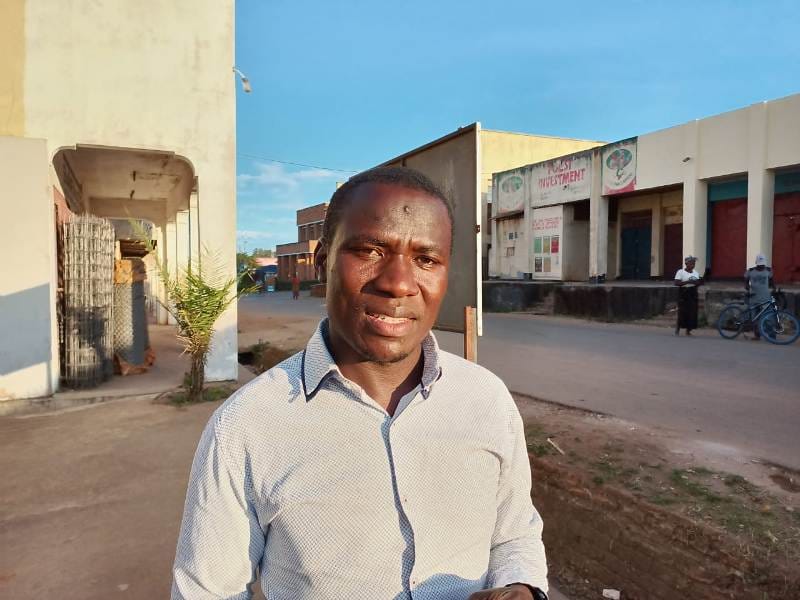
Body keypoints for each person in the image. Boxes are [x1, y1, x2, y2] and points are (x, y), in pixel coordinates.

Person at [171, 166, 549, 600]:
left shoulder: (486, 399)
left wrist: (521, 587)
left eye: (426, 260)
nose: (399, 284)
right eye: (370, 250)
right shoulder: (246, 427)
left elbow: (514, 531)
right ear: (322, 261)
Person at [744, 253, 775, 340]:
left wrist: (774, 289)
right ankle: (757, 335)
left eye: (762, 265)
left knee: (767, 317)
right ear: (756, 263)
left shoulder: (768, 270)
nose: (761, 266)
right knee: (755, 317)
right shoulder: (750, 271)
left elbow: (772, 282)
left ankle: (772, 335)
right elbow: (746, 283)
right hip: (753, 298)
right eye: (760, 265)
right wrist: (747, 288)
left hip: (765, 298)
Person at [674, 255, 704, 336]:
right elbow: (676, 283)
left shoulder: (696, 273)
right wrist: (688, 282)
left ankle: (688, 330)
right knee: (682, 311)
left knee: (692, 312)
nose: (692, 265)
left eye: (693, 264)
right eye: (691, 263)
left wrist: (697, 283)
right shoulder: (680, 272)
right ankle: (678, 328)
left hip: (693, 292)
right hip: (684, 292)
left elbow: (698, 282)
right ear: (686, 264)